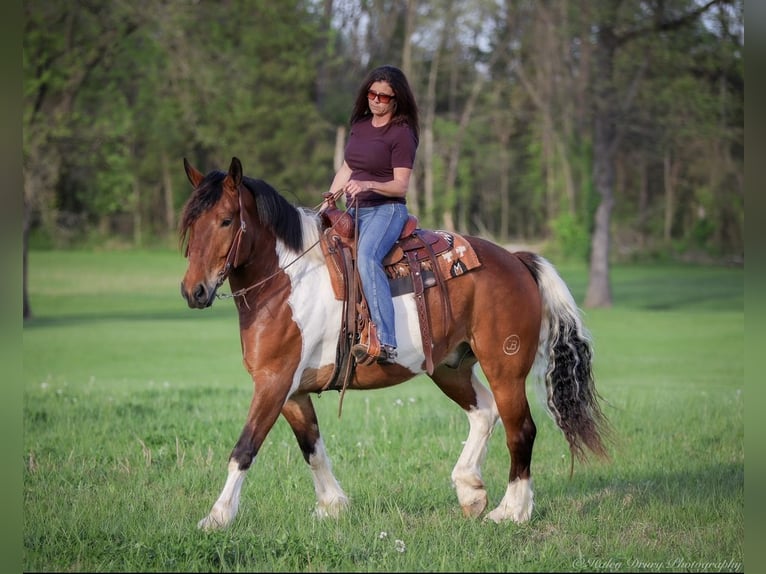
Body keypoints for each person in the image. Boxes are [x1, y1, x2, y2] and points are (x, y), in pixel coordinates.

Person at [325, 65, 420, 365]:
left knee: (366, 257)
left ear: (396, 100)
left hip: (387, 210)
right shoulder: (360, 126)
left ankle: (386, 340)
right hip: (354, 211)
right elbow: (348, 167)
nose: (376, 101)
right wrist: (329, 200)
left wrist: (368, 184)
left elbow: (400, 184)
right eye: (372, 94)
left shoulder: (402, 133)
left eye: (384, 97)